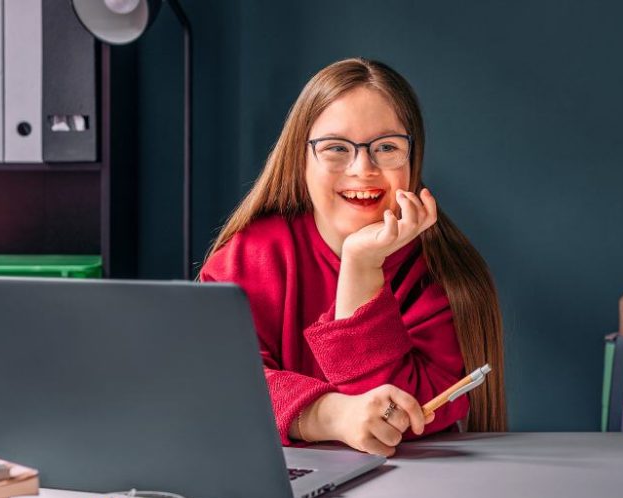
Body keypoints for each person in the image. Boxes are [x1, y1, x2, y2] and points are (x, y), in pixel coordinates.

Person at [200, 57, 505, 457]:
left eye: (386, 148)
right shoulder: (249, 256)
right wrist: (329, 415)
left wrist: (361, 267)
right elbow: (216, 384)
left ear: (413, 159)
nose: (363, 169)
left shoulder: (447, 277)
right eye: (335, 148)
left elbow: (402, 422)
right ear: (300, 159)